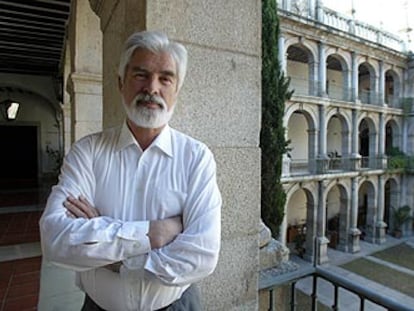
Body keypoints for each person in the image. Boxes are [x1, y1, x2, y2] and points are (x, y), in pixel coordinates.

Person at [39, 30, 222, 311]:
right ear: (120, 82)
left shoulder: (196, 158)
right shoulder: (87, 153)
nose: (152, 87)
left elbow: (202, 255)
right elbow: (56, 239)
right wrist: (154, 234)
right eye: (141, 74)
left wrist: (112, 254)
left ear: (177, 90)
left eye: (165, 78)